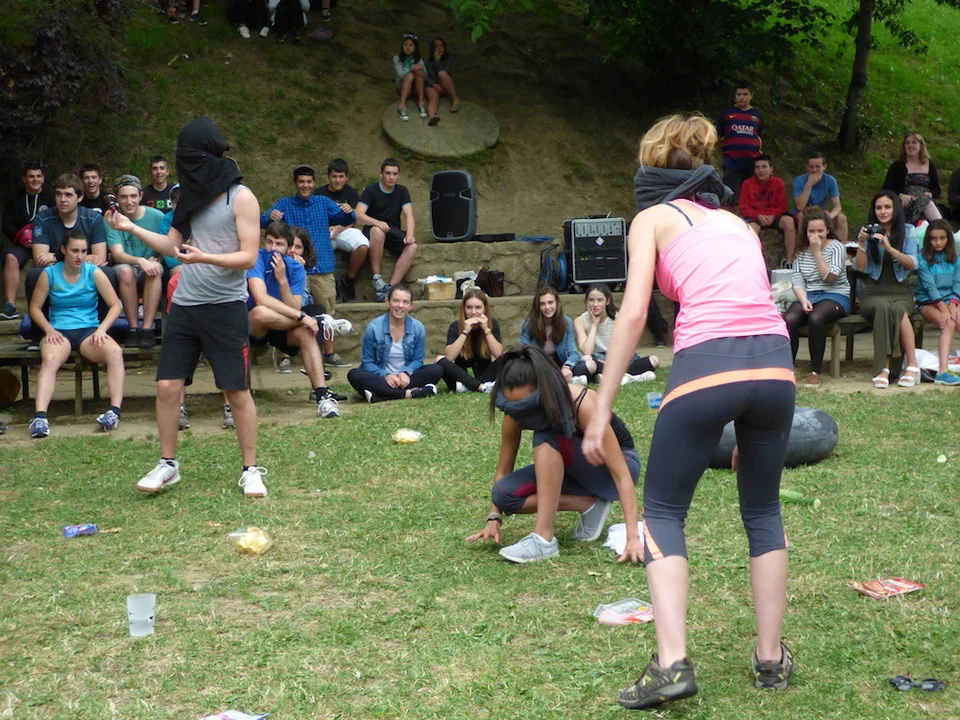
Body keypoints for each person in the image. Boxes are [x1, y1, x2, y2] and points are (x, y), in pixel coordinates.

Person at [583, 114, 797, 710]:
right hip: (775, 366)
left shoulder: (651, 219)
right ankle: (770, 659)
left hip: (708, 363)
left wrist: (601, 409)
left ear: (651, 169)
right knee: (763, 508)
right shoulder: (738, 224)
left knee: (663, 511)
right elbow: (749, 297)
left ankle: (672, 664)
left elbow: (632, 314)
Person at [105, 116, 268, 498]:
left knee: (236, 390)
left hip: (226, 306)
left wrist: (204, 257)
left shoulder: (240, 198)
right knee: (167, 386)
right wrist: (131, 229)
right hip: (185, 306)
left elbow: (248, 257)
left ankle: (251, 469)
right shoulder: (191, 197)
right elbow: (172, 245)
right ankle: (168, 465)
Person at [465, 345, 643, 563]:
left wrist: (632, 537)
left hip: (615, 468)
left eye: (526, 405)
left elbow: (622, 475)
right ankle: (588, 505)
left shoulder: (581, 403)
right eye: (513, 406)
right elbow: (504, 469)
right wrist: (494, 517)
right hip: (572, 469)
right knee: (503, 495)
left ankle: (544, 539)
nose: (520, 412)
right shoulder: (515, 412)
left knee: (547, 435)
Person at [27, 231, 125, 438]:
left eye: (83, 251)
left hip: (89, 330)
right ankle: (40, 417)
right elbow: (34, 307)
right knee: (50, 359)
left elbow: (115, 305)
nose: (80, 256)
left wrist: (102, 329)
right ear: (63, 250)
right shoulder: (49, 273)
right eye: (75, 251)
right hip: (59, 331)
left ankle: (114, 412)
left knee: (115, 352)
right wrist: (48, 329)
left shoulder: (93, 272)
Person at [248, 222, 341, 418]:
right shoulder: (257, 258)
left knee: (307, 333)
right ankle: (320, 320)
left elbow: (294, 307)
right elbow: (260, 298)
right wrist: (303, 317)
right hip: (255, 326)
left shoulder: (296, 268)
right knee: (260, 312)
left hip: (282, 325)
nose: (273, 249)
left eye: (279, 244)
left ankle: (322, 395)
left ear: (288, 247)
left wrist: (282, 280)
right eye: (269, 242)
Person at [261, 164, 355, 322]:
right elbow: (263, 222)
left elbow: (344, 218)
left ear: (314, 182)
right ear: (295, 183)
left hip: (322, 269)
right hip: (293, 269)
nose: (305, 185)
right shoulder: (284, 204)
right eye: (301, 181)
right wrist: (270, 217)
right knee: (294, 315)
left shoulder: (323, 202)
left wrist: (348, 211)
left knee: (328, 318)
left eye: (309, 181)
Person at [855, 191, 921, 389]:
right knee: (883, 307)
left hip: (901, 292)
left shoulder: (908, 231)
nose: (882, 211)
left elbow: (913, 263)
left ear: (895, 209)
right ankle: (883, 368)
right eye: (878, 208)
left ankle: (912, 366)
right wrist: (862, 243)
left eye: (887, 207)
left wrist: (890, 248)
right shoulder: (869, 231)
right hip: (874, 292)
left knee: (898, 309)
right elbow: (861, 268)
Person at [783, 208, 851, 387]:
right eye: (811, 231)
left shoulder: (837, 247)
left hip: (835, 294)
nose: (816, 235)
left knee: (816, 317)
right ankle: (788, 368)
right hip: (809, 294)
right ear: (805, 232)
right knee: (790, 319)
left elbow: (830, 277)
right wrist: (803, 299)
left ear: (827, 230)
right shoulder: (800, 251)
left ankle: (815, 371)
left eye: (820, 230)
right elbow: (797, 280)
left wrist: (817, 252)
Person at [347, 283, 442, 402]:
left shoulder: (418, 328)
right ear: (388, 302)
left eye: (405, 302)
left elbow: (418, 360)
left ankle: (380, 394)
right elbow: (367, 362)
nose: (400, 306)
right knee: (354, 374)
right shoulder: (374, 327)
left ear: (411, 306)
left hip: (406, 379)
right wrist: (386, 375)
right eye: (396, 301)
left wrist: (405, 373)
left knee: (436, 369)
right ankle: (408, 393)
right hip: (381, 378)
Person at [106, 175, 165, 349]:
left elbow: (167, 245)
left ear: (140, 196)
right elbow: (117, 254)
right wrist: (140, 260)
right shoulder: (111, 218)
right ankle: (133, 327)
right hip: (125, 267)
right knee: (126, 271)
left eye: (133, 196)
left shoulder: (157, 216)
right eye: (124, 197)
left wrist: (158, 258)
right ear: (117, 199)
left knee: (155, 269)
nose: (129, 201)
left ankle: (147, 328)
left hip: (149, 267)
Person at [355, 158, 419, 300]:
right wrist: (377, 222)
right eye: (388, 173)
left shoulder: (402, 191)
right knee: (378, 231)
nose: (391, 177)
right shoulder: (371, 190)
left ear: (398, 175)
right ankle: (377, 277)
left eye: (394, 174)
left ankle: (391, 289)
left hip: (392, 231)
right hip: (373, 231)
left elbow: (409, 214)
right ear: (381, 174)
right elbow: (358, 214)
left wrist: (410, 235)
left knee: (412, 246)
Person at [572, 284, 659, 385]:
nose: (595, 304)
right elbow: (587, 351)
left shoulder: (619, 317)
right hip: (597, 360)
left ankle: (608, 377)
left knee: (654, 361)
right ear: (586, 301)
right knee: (587, 362)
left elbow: (628, 349)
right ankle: (630, 377)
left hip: (619, 358)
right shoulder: (580, 321)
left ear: (607, 301)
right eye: (591, 300)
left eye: (600, 300)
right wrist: (594, 325)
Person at [312, 158, 370, 303]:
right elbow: (314, 219)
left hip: (345, 230)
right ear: (328, 177)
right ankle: (332, 284)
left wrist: (339, 228)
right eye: (334, 176)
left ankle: (348, 279)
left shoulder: (351, 193)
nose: (337, 180)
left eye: (341, 176)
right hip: (324, 232)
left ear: (346, 177)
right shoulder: (319, 194)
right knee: (315, 249)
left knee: (363, 244)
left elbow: (353, 220)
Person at [1, 163, 53, 320]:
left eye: (38, 176)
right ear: (24, 179)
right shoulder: (15, 198)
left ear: (43, 178)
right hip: (23, 244)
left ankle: (53, 307)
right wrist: (21, 237)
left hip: (47, 243)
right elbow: (6, 224)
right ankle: (10, 306)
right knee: (10, 257)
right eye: (31, 176)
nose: (35, 180)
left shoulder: (52, 197)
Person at [914, 219, 960, 385]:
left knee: (958, 319)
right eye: (934, 239)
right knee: (948, 323)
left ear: (948, 238)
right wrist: (943, 307)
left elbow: (958, 282)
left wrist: (953, 304)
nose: (938, 242)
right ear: (928, 240)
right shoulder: (922, 259)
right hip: (928, 302)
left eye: (942, 238)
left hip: (950, 300)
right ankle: (942, 371)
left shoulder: (955, 258)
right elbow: (929, 286)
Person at [437, 287, 503, 393]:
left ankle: (470, 386)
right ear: (464, 309)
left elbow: (498, 354)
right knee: (440, 359)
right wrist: (465, 331)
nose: (473, 312)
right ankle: (480, 387)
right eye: (469, 308)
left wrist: (486, 330)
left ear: (485, 309)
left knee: (508, 357)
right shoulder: (455, 326)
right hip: (460, 378)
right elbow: (449, 357)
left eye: (478, 307)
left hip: (485, 375)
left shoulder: (492, 324)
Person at [519, 286, 588, 383]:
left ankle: (560, 378)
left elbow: (573, 353)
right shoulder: (528, 324)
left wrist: (567, 366)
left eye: (550, 302)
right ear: (537, 306)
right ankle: (569, 380)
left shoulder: (566, 322)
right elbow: (523, 351)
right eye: (542, 304)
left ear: (557, 303)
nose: (547, 307)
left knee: (586, 365)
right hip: (538, 365)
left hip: (560, 365)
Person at [739, 154, 796, 260]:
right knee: (752, 229)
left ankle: (790, 260)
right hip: (755, 217)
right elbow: (744, 206)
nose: (761, 170)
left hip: (773, 215)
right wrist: (758, 215)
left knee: (789, 222)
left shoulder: (778, 183)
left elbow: (783, 205)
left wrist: (773, 215)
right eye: (757, 167)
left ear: (771, 169)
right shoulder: (747, 184)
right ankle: (751, 261)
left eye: (764, 167)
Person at [715, 80, 763, 203]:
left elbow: (758, 135)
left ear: (751, 95)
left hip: (752, 161)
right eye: (739, 94)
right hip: (732, 161)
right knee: (731, 197)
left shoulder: (757, 115)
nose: (741, 97)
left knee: (750, 197)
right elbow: (718, 135)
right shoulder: (727, 114)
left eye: (745, 94)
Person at [882, 132, 943, 225]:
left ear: (921, 146)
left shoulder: (930, 165)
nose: (910, 145)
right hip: (905, 201)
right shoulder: (897, 166)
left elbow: (937, 189)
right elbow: (886, 189)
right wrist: (900, 195)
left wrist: (931, 194)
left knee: (924, 199)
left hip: (925, 199)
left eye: (914, 142)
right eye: (907, 143)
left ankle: (941, 226)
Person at [793, 151, 848, 242]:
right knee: (801, 217)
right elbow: (800, 207)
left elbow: (837, 207)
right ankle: (803, 247)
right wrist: (809, 185)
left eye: (818, 167)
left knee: (841, 218)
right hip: (805, 212)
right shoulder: (799, 180)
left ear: (824, 167)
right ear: (807, 167)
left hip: (821, 212)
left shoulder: (830, 180)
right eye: (811, 167)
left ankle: (841, 247)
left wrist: (830, 216)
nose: (814, 170)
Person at [423, 37, 461, 125]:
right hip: (432, 86)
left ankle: (456, 100)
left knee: (442, 73)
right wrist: (434, 85)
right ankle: (432, 116)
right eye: (436, 46)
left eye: (441, 46)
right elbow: (426, 76)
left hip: (444, 86)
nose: (439, 48)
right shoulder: (427, 61)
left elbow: (446, 74)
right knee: (433, 97)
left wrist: (437, 62)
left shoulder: (448, 59)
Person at [393, 33, 428, 121]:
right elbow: (401, 75)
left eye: (411, 45)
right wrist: (411, 68)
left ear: (415, 47)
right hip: (403, 88)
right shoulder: (397, 59)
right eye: (405, 44)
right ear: (402, 46)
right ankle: (401, 106)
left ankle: (421, 103)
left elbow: (425, 76)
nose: (408, 47)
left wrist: (421, 69)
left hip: (416, 89)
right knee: (410, 75)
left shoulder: (418, 59)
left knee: (418, 72)